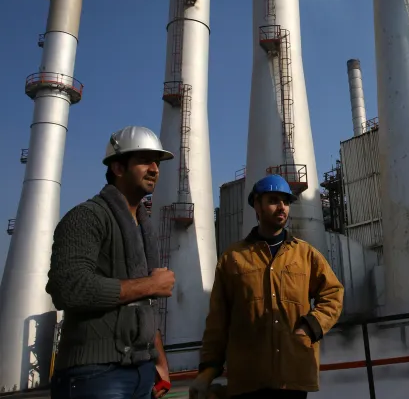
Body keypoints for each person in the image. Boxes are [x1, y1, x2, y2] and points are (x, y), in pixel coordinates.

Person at [46, 126, 177, 399]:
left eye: (157, 162)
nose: (154, 168)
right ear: (118, 167)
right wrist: (150, 284)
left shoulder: (143, 227)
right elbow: (68, 288)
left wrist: (159, 360)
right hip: (95, 374)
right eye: (144, 160)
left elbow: (145, 306)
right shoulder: (86, 218)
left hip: (142, 370)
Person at [190, 174, 344, 399]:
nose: (282, 207)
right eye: (273, 200)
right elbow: (217, 322)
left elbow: (333, 293)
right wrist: (207, 371)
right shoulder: (233, 259)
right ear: (257, 206)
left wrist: (310, 327)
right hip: (248, 379)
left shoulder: (305, 255)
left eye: (286, 201)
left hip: (291, 377)